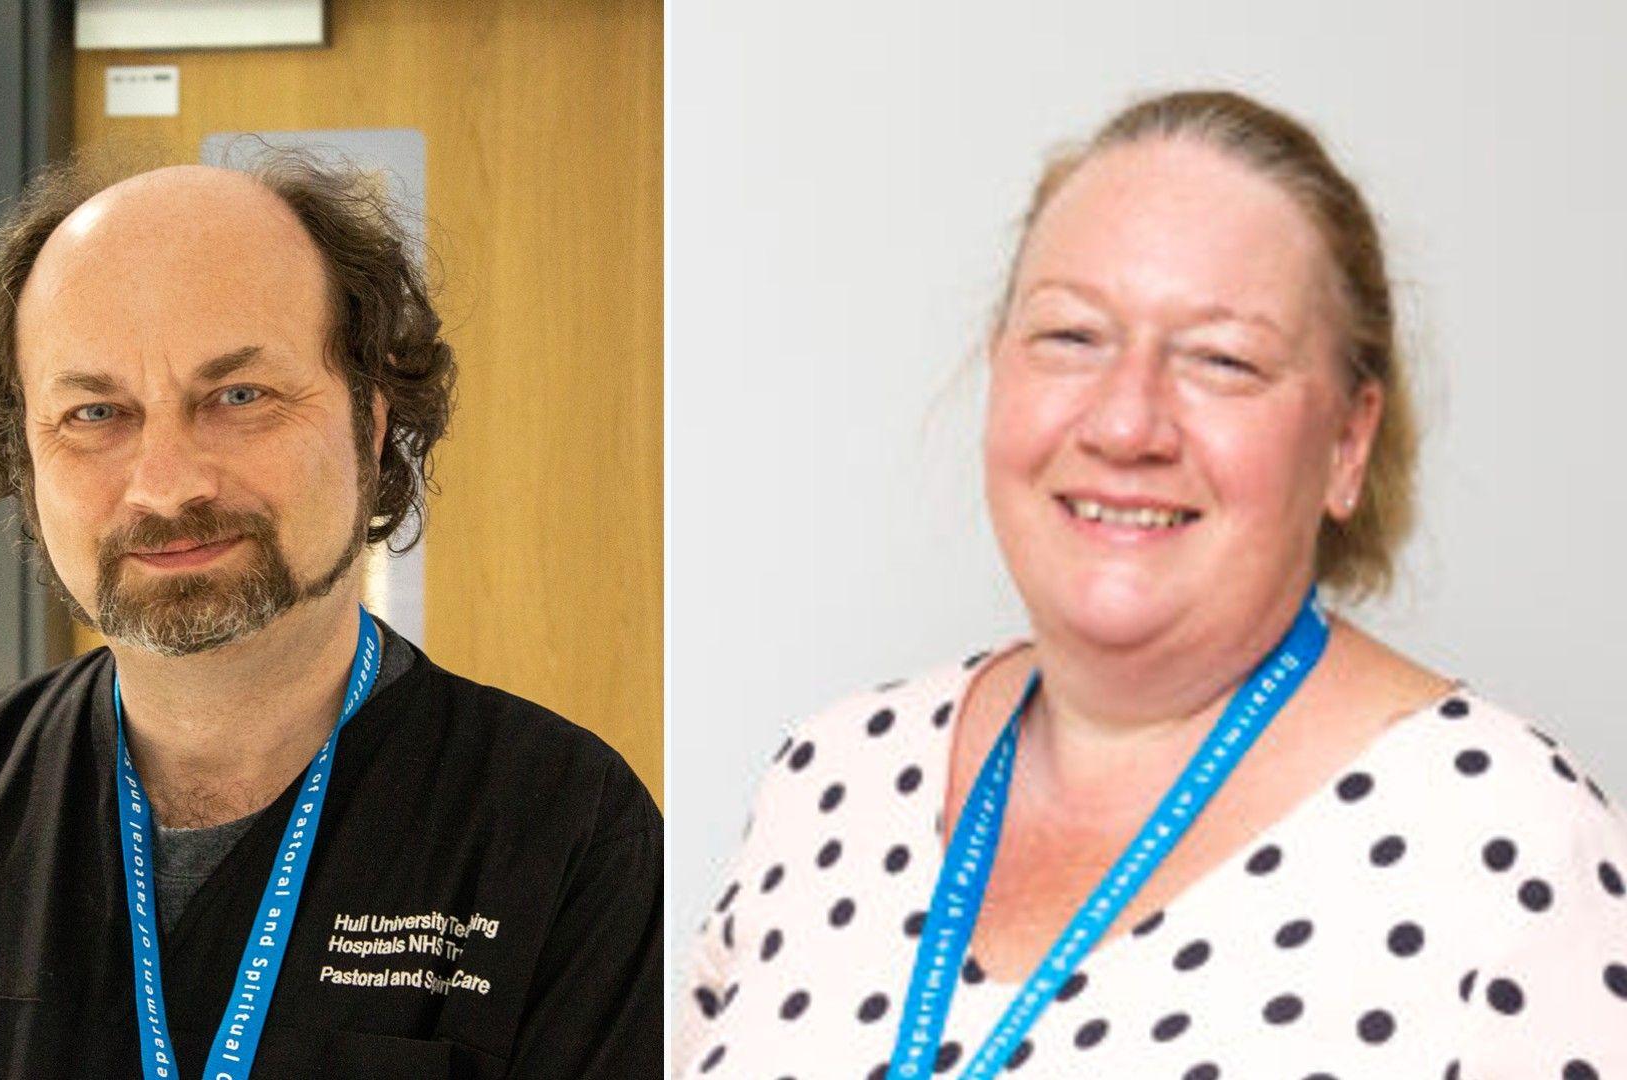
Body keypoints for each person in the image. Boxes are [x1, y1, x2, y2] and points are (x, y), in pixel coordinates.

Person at [676, 90, 1627, 1078]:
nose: (1126, 425)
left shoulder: (1509, 851)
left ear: (1348, 442)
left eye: (1222, 359)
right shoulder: (831, 778)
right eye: (1072, 338)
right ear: (998, 369)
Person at [0, 153, 661, 1079]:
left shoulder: (560, 828)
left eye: (239, 396)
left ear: (370, 421)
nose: (165, 485)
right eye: (93, 414)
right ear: (25, 457)